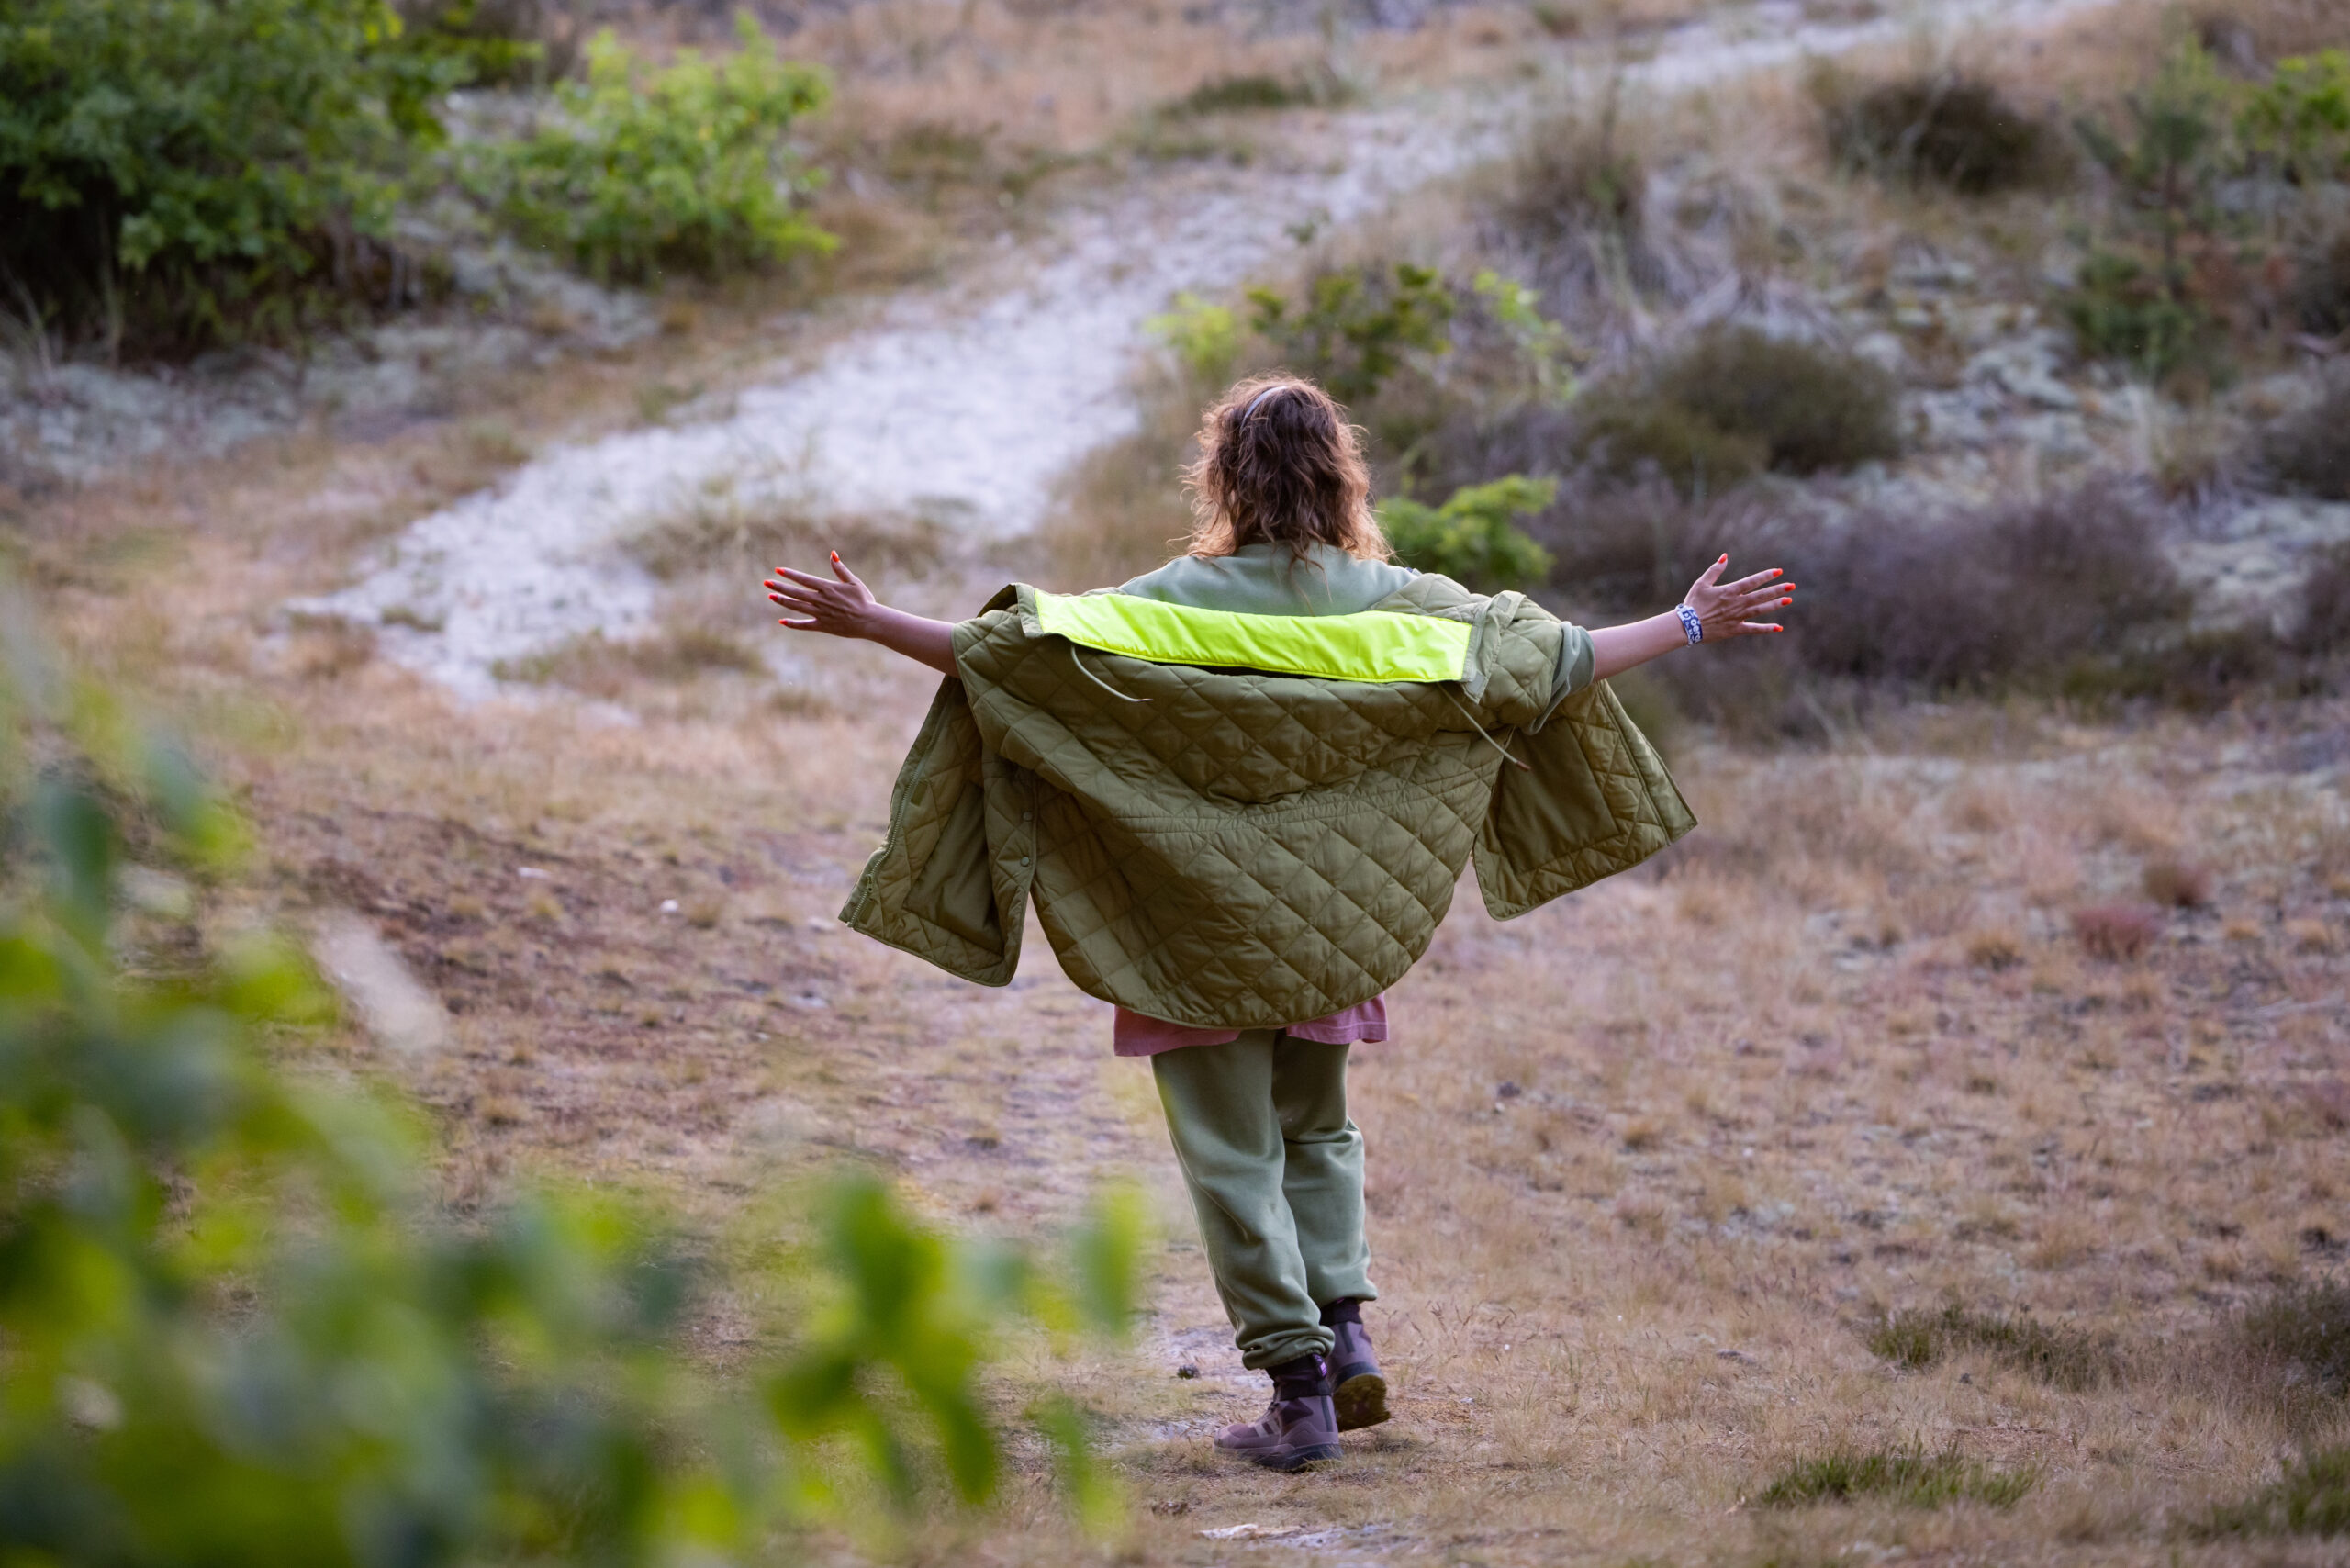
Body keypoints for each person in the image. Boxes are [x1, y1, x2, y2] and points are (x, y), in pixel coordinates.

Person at [763, 375, 1793, 1472]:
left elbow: (1008, 655)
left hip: (1185, 926)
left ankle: (1296, 1392)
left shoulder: (1171, 597)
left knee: (1229, 1153)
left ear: (1222, 478)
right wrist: (1687, 622)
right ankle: (1347, 1335)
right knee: (1318, 1132)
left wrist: (874, 622)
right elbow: (1560, 659)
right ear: (1340, 473)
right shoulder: (1406, 600)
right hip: (1331, 931)